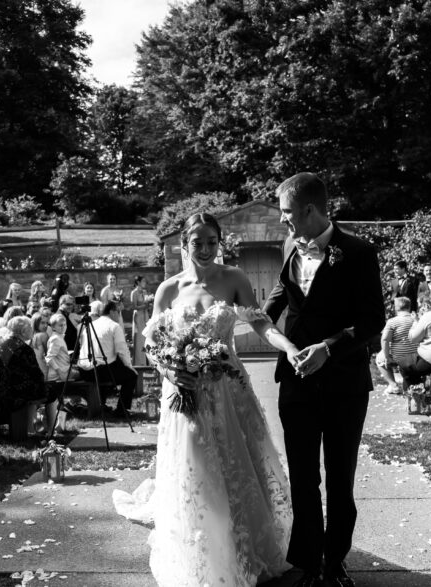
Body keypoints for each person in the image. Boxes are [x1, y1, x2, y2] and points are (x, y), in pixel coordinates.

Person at [113, 212, 301, 587]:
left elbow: (260, 322)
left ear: (220, 242)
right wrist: (169, 372)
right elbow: (152, 342)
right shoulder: (169, 288)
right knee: (196, 467)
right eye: (197, 242)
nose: (204, 249)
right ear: (184, 244)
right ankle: (206, 548)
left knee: (238, 463)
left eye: (211, 242)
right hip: (184, 389)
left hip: (229, 390)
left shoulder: (234, 278)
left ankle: (244, 547)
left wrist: (289, 347)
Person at [262, 172, 385, 587]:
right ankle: (308, 561)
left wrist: (328, 348)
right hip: (295, 380)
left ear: (309, 210)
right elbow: (281, 298)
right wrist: (245, 316)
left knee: (339, 477)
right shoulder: (288, 247)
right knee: (302, 477)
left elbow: (372, 321)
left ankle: (335, 563)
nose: (283, 221)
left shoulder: (359, 252)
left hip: (344, 383)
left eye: (286, 213)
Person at [76, 301, 138, 418]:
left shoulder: (90, 325)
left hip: (84, 370)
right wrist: (130, 367)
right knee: (131, 376)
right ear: (112, 311)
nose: (119, 315)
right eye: (118, 312)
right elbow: (122, 350)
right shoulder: (114, 326)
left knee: (110, 364)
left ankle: (102, 404)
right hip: (100, 370)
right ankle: (121, 410)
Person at [0, 316, 49, 429]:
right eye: (30, 327)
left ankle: (30, 427)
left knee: (34, 388)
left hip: (6, 387)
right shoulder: (25, 348)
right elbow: (36, 373)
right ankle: (52, 430)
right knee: (53, 393)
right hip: (20, 390)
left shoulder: (3, 345)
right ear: (23, 331)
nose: (32, 329)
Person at [375, 296, 417, 394]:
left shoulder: (392, 322)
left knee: (379, 359)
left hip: (400, 356)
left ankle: (393, 385)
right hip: (417, 355)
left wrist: (386, 357)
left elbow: (385, 339)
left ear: (396, 308)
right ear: (409, 307)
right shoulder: (416, 319)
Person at [43, 313, 74, 432]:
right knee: (85, 373)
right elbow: (49, 358)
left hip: (63, 369)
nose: (63, 327)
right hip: (58, 373)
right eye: (60, 325)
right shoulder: (56, 338)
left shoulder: (60, 336)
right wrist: (59, 370)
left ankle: (70, 407)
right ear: (54, 327)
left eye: (65, 324)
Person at [128, 275, 150, 365]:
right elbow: (134, 307)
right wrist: (144, 306)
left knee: (146, 337)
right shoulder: (134, 293)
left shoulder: (145, 292)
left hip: (145, 315)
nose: (145, 283)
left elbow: (147, 303)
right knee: (139, 339)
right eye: (143, 281)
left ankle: (147, 360)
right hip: (138, 316)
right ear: (138, 282)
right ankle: (139, 362)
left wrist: (149, 304)